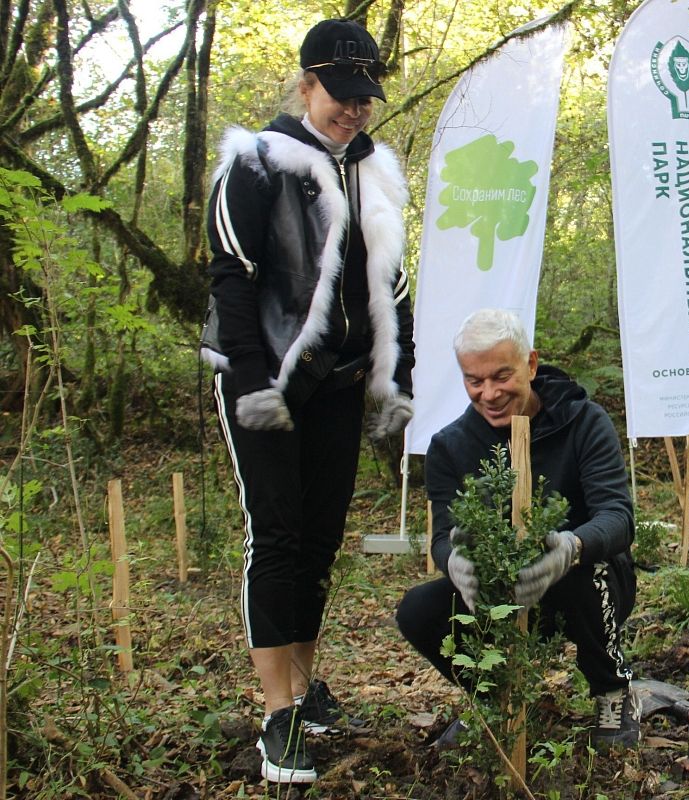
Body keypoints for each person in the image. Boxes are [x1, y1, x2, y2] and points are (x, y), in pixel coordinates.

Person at [201, 18, 415, 784]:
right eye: (340, 95)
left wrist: (400, 377)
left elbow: (390, 285)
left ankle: (301, 681)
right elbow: (231, 276)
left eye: (364, 98)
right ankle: (277, 715)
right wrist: (253, 382)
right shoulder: (256, 163)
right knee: (278, 536)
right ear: (306, 86)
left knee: (321, 540)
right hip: (266, 382)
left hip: (341, 384)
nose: (354, 110)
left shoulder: (373, 170)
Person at [395, 309, 639, 750]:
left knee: (588, 568)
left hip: (586, 584)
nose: (489, 393)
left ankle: (612, 691)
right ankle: (493, 698)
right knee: (418, 608)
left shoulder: (584, 423)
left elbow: (618, 518)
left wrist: (571, 545)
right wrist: (455, 562)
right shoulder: (449, 447)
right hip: (501, 592)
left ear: (530, 363)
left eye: (501, 376)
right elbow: (442, 535)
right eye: (474, 380)